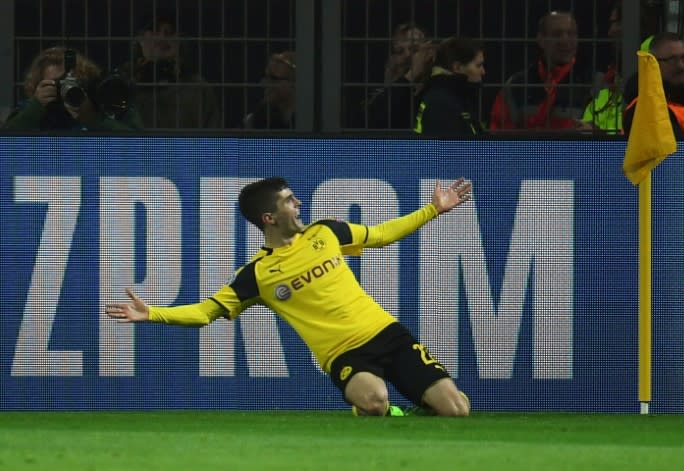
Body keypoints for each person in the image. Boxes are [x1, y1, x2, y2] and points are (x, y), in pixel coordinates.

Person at [106, 176, 473, 417]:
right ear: (269, 217)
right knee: (375, 401)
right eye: (288, 201)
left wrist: (432, 210)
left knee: (457, 410)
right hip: (343, 353)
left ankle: (420, 409)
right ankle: (372, 411)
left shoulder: (326, 231)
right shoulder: (257, 275)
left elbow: (381, 234)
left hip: (387, 333)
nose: (298, 203)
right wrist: (153, 313)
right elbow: (206, 313)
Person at [488, 11, 595, 131]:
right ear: (541, 40)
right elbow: (498, 134)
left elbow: (613, 134)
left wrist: (595, 134)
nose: (565, 41)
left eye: (571, 34)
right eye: (557, 34)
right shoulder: (515, 86)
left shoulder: (596, 84)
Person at [3, 46, 140, 131]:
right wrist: (35, 107)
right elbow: (6, 142)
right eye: (57, 83)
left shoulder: (105, 106)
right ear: (39, 85)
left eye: (72, 82)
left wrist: (93, 119)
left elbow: (138, 143)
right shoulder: (32, 109)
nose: (66, 88)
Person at [122, 15, 221, 129]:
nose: (162, 37)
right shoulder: (124, 83)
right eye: (154, 30)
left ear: (180, 42)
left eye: (170, 32)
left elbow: (213, 136)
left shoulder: (198, 88)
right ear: (140, 40)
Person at [413, 37, 485, 135]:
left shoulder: (456, 97)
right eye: (478, 65)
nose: (483, 72)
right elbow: (451, 149)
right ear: (457, 67)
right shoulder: (440, 103)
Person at [363, 24, 430, 129]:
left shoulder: (435, 93)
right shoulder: (380, 99)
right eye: (399, 51)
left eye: (414, 49)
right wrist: (409, 77)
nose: (407, 55)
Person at [581, 2, 624, 134]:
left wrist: (599, 135)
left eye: (615, 23)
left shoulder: (650, 77)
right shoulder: (605, 78)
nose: (610, 32)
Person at [243, 51, 296, 129]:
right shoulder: (253, 120)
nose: (263, 84)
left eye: (273, 79)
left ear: (294, 83)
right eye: (266, 77)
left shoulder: (308, 120)